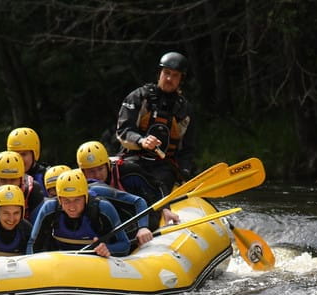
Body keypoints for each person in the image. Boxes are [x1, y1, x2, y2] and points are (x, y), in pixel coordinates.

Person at [115, 51, 196, 199]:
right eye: (166, 73)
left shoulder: (185, 110)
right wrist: (142, 141)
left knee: (163, 179)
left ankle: (161, 210)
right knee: (131, 174)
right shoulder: (139, 97)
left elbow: (187, 149)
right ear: (160, 73)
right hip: (133, 159)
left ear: (181, 79)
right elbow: (123, 131)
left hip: (163, 166)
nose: (169, 78)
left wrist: (185, 171)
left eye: (175, 75)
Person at [27, 168, 130, 258]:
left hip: (96, 265)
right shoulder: (49, 209)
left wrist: (108, 248)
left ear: (86, 197)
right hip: (62, 266)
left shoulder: (103, 208)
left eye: (77, 200)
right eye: (66, 201)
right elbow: (32, 243)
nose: (72, 207)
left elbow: (125, 244)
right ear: (59, 199)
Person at [76, 140, 154, 246]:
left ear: (107, 165)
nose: (97, 175)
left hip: (136, 217)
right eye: (91, 171)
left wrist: (144, 226)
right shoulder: (76, 183)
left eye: (100, 169)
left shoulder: (128, 171)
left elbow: (152, 191)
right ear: (82, 173)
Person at [7, 127, 49, 196]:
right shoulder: (2, 177)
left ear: (35, 154)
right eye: (15, 154)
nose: (18, 159)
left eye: (23, 154)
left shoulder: (45, 177)